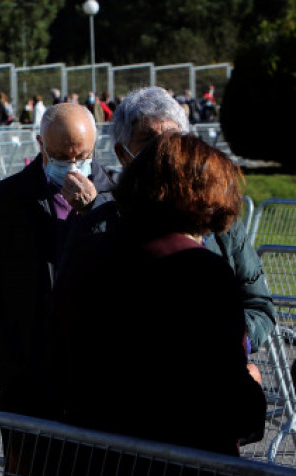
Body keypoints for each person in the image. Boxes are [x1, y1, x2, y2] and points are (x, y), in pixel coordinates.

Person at [54, 132, 267, 476]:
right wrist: (252, 387)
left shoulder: (91, 250)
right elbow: (225, 398)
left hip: (93, 470)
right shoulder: (201, 270)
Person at [0, 101, 115, 476]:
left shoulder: (117, 199)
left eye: (80, 154)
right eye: (61, 155)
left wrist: (96, 210)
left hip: (95, 385)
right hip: (28, 382)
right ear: (40, 144)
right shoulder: (8, 198)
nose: (72, 164)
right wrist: (3, 353)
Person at [73, 86, 276, 356]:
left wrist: (233, 342)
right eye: (148, 141)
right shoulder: (98, 230)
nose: (163, 152)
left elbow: (259, 305)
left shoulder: (218, 220)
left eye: (172, 137)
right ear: (123, 155)